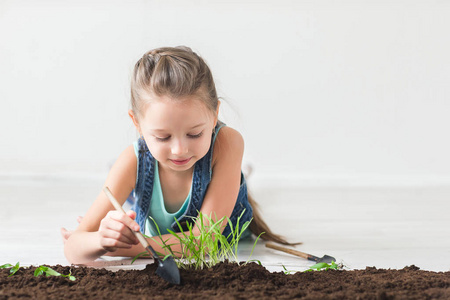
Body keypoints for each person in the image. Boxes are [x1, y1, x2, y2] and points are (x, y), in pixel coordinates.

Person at [63, 46, 294, 264]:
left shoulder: (228, 142)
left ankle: (239, 176)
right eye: (163, 137)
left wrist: (122, 247)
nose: (179, 150)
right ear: (137, 124)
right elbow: (73, 247)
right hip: (145, 174)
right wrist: (100, 239)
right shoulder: (132, 160)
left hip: (220, 183)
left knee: (227, 177)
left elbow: (203, 241)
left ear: (215, 116)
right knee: (132, 189)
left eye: (194, 134)